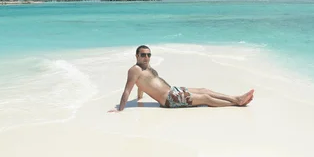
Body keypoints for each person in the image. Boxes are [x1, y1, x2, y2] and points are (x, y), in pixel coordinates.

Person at [108, 45, 254, 112]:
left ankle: (235, 97)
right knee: (205, 98)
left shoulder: (146, 68)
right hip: (169, 100)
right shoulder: (135, 70)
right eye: (143, 55)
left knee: (204, 90)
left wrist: (139, 98)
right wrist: (120, 109)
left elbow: (141, 85)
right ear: (136, 56)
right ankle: (237, 102)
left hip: (173, 91)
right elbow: (127, 89)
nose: (146, 57)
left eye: (148, 55)